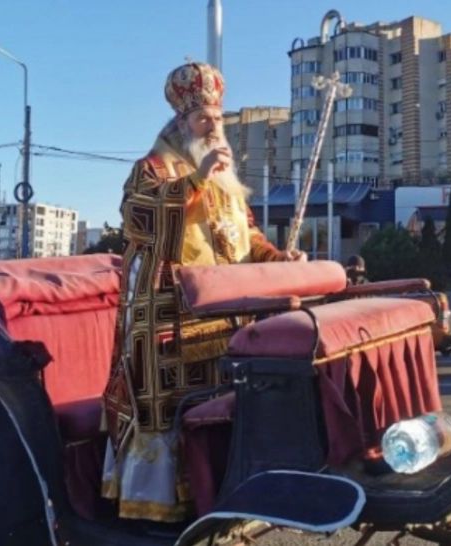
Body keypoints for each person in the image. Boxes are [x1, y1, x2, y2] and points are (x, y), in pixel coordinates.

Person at [101, 62, 303, 522]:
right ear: (181, 123)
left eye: (218, 119)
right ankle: (155, 509)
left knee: (222, 405)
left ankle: (222, 492)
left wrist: (278, 259)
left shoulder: (227, 179)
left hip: (227, 317)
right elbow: (140, 219)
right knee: (171, 414)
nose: (214, 128)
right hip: (169, 315)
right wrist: (195, 180)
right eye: (203, 119)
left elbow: (247, 238)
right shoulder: (151, 168)